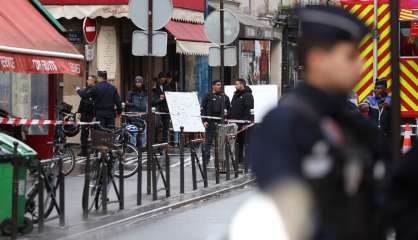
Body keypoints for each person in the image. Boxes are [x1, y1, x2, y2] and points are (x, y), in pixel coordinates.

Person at [249, 6, 389, 240]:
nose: (361, 66)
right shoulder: (286, 124)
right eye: (350, 56)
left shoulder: (349, 120)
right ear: (318, 59)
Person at [201, 80, 231, 164]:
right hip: (210, 123)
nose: (219, 86)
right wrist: (204, 121)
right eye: (218, 85)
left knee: (221, 142)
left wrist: (227, 117)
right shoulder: (208, 96)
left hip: (221, 123)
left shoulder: (224, 96)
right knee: (208, 141)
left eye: (220, 85)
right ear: (213, 86)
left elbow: (229, 108)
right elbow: (202, 109)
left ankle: (221, 160)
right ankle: (206, 159)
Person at [230, 78, 254, 164]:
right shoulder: (235, 94)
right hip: (235, 122)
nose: (235, 86)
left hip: (243, 123)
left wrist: (245, 122)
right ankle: (239, 159)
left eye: (237, 84)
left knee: (244, 142)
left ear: (242, 84)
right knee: (238, 142)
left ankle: (247, 161)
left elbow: (249, 109)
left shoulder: (247, 95)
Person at [77, 75, 97, 156]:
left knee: (94, 133)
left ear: (93, 81)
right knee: (84, 133)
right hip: (84, 114)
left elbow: (85, 97)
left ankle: (94, 150)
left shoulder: (95, 90)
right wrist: (79, 111)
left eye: (89, 80)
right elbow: (82, 101)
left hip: (92, 115)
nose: (87, 81)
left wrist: (78, 90)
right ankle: (84, 150)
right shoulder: (87, 89)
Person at [126, 75, 147, 148]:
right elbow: (127, 102)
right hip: (133, 114)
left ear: (142, 83)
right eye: (137, 82)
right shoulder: (131, 92)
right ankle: (132, 146)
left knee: (143, 131)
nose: (138, 84)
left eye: (139, 82)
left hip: (143, 114)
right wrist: (134, 104)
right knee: (133, 131)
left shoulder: (145, 92)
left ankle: (143, 146)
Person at [152, 72, 171, 143]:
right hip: (158, 109)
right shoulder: (154, 87)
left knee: (166, 128)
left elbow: (171, 95)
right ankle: (155, 142)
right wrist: (159, 99)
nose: (163, 81)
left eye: (164, 80)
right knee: (157, 126)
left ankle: (164, 143)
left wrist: (166, 96)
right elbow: (152, 100)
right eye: (161, 80)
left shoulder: (167, 86)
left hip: (166, 109)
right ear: (159, 79)